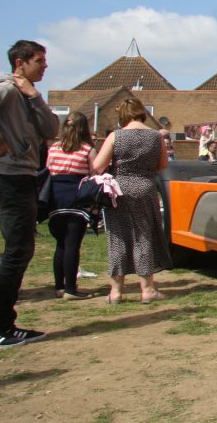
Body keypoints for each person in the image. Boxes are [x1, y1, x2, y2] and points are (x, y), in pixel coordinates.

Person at [0, 40, 60, 350]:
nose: (45, 66)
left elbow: (51, 129)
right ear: (20, 63)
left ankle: (3, 323)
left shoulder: (26, 95)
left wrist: (36, 97)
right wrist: (0, 137)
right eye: (39, 60)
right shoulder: (6, 89)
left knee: (22, 251)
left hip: (24, 177)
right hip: (6, 178)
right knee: (16, 252)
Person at [92, 98, 172, 304]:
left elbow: (98, 166)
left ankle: (116, 292)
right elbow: (162, 165)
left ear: (123, 115)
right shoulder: (156, 137)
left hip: (119, 190)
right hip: (145, 188)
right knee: (144, 236)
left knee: (118, 237)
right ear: (141, 113)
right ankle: (147, 290)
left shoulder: (115, 136)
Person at [46, 112, 99, 300]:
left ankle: (59, 286)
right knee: (72, 244)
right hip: (77, 197)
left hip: (55, 198)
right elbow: (95, 172)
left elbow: (49, 169)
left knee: (60, 244)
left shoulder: (53, 148)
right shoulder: (87, 149)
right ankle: (71, 289)